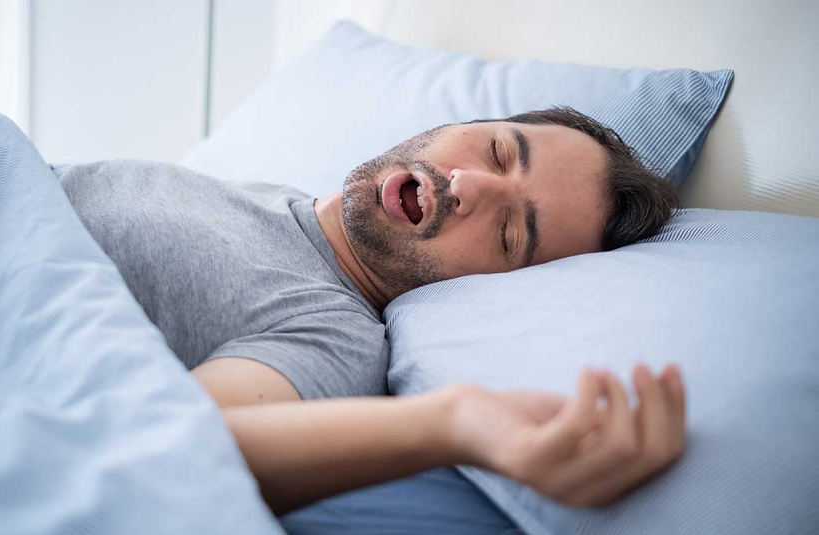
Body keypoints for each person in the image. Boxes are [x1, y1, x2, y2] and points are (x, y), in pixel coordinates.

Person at [55, 107, 684, 516]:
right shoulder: (276, 199)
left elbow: (183, 445)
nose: (469, 186)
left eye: (510, 236)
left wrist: (454, 423)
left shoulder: (335, 334)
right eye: (497, 150)